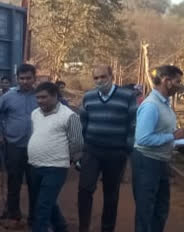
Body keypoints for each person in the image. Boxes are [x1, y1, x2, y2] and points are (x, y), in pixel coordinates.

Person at [77, 65, 136, 232]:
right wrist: (81, 150)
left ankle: (107, 228)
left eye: (103, 77)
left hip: (116, 153)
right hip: (92, 151)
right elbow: (83, 123)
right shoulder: (88, 97)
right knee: (84, 189)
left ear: (112, 76)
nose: (99, 81)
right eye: (96, 78)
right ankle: (83, 227)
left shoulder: (127, 96)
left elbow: (133, 124)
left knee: (111, 194)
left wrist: (127, 150)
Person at [132, 64, 184, 232]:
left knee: (161, 209)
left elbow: (162, 134)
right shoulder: (151, 106)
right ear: (166, 81)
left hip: (161, 162)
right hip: (147, 162)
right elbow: (143, 138)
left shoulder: (165, 104)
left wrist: (176, 141)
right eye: (177, 81)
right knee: (146, 211)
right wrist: (172, 137)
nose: (179, 85)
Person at [28, 82, 83, 232]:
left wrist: (66, 158)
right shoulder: (35, 114)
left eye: (43, 97)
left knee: (42, 206)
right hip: (34, 165)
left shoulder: (69, 116)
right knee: (46, 201)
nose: (40, 101)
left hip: (56, 168)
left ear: (55, 96)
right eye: (37, 98)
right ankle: (61, 227)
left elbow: (77, 142)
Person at [0, 63, 38, 225]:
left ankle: (34, 217)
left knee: (35, 183)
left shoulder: (41, 96)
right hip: (13, 146)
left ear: (34, 78)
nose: (25, 81)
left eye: (28, 78)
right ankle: (14, 214)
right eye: (22, 78)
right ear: (17, 79)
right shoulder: (8, 97)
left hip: (36, 148)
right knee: (14, 182)